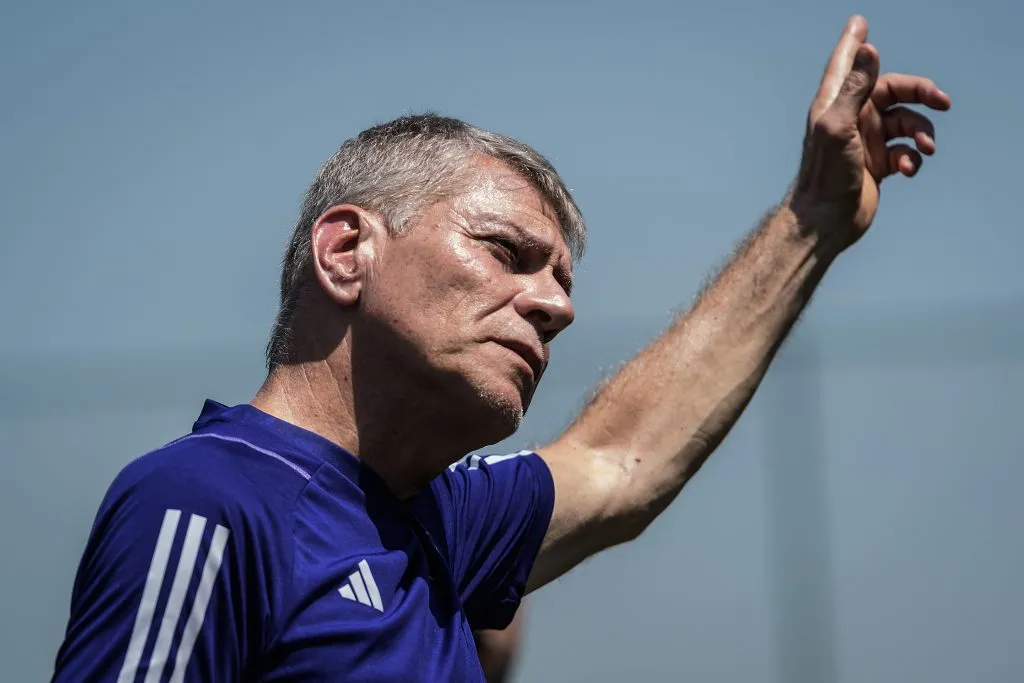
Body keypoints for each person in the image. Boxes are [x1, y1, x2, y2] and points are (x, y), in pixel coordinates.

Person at [51, 15, 949, 682]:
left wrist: (812, 220)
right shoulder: (205, 498)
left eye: (560, 279)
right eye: (506, 253)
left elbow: (622, 460)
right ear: (347, 251)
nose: (557, 306)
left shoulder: (440, 521)